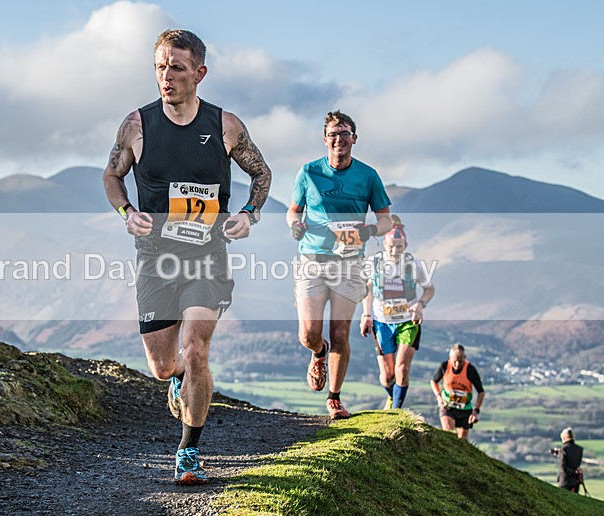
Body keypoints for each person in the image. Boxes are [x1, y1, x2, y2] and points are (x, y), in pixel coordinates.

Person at [102, 29, 271, 485]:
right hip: (155, 259)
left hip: (207, 256)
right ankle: (175, 377)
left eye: (176, 67)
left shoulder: (224, 126)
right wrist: (126, 211)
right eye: (160, 67)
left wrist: (249, 214)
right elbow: (112, 175)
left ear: (199, 73)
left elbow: (262, 173)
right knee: (162, 366)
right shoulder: (137, 125)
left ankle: (189, 450)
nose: (166, 76)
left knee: (196, 347)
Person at [286, 110, 392, 419]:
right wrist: (295, 225)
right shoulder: (308, 172)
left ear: (354, 139)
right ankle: (318, 352)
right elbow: (294, 211)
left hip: (349, 262)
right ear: (325, 140)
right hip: (313, 260)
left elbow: (386, 220)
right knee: (308, 333)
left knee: (341, 333)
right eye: (333, 134)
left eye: (344, 133)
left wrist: (369, 230)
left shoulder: (368, 176)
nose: (339, 139)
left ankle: (334, 397)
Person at [360, 215, 435, 410]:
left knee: (402, 367)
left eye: (399, 246)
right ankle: (392, 397)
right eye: (391, 245)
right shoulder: (373, 262)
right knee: (387, 375)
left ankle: (396, 411)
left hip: (408, 321)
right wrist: (366, 314)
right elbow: (366, 289)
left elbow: (429, 289)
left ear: (406, 245)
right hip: (381, 321)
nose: (395, 250)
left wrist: (420, 305)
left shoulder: (414, 264)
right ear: (384, 242)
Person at [430, 344, 485, 439]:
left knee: (462, 441)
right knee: (448, 435)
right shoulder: (444, 366)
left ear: (465, 358)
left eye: (460, 361)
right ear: (450, 357)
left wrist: (475, 411)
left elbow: (481, 392)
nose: (457, 365)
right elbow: (433, 381)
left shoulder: (470, 370)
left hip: (465, 409)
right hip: (448, 406)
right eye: (455, 361)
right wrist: (439, 397)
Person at [554, 427, 584, 492]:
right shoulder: (579, 449)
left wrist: (560, 454)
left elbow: (563, 467)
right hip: (575, 481)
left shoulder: (563, 449)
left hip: (564, 481)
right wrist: (575, 472)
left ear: (564, 438)